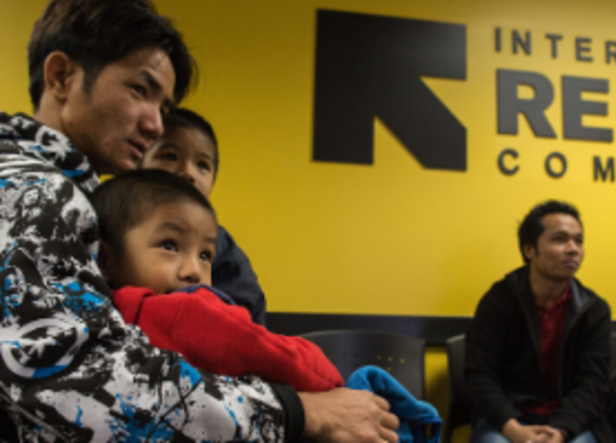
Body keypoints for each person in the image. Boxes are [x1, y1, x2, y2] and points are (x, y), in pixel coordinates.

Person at [0, 0, 400, 441]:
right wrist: (298, 411)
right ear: (62, 77)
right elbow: (86, 389)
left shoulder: (69, 193)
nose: (155, 124)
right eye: (139, 89)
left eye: (163, 104)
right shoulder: (37, 193)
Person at [91, 168, 343, 392]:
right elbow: (274, 355)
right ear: (104, 260)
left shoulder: (94, 311)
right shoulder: (182, 312)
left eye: (205, 255)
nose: (193, 270)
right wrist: (332, 378)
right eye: (169, 246)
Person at [465, 201, 611, 443]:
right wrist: (514, 430)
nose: (573, 249)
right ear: (529, 249)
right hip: (509, 420)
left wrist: (561, 431)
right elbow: (479, 376)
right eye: (560, 239)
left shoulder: (594, 310)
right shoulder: (499, 301)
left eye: (578, 241)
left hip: (570, 422)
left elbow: (593, 385)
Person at [139, 108, 266, 325]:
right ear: (136, 165)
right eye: (170, 156)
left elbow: (242, 328)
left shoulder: (225, 254)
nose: (188, 172)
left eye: (202, 165)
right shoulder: (109, 223)